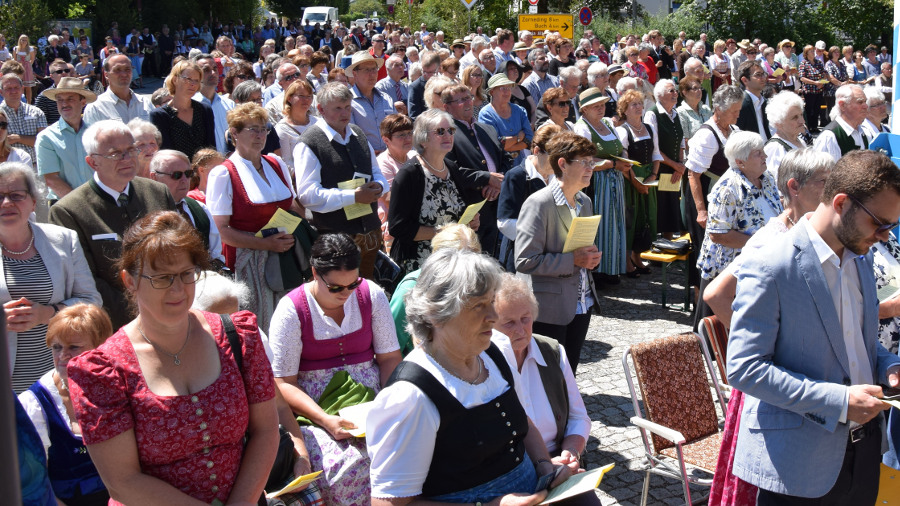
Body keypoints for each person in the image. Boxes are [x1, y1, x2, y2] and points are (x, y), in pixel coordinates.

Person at [66, 211, 280, 505]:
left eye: (185, 274)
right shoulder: (104, 370)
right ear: (129, 280)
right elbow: (122, 481)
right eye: (163, 278)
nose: (178, 290)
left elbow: (266, 430)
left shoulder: (237, 336)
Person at [727, 150, 900, 504]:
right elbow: (745, 369)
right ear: (841, 203)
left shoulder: (861, 257)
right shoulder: (769, 265)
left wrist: (888, 365)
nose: (885, 236)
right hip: (798, 467)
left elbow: (858, 340)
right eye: (879, 223)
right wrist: (836, 401)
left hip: (864, 455)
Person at [367, 248, 568, 505]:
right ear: (437, 314)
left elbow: (523, 422)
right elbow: (389, 504)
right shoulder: (410, 396)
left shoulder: (495, 353)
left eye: (492, 302)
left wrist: (545, 468)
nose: (493, 316)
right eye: (478, 306)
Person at [269, 233, 401, 504]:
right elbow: (283, 383)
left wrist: (388, 403)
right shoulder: (291, 309)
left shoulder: (371, 295)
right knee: (342, 468)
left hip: (372, 398)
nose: (346, 294)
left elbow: (389, 358)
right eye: (336, 288)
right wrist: (324, 419)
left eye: (353, 284)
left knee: (399, 451)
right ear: (315, 273)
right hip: (315, 407)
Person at [49, 120, 175, 330]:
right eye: (115, 153)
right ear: (92, 163)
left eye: (131, 150)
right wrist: (141, 310)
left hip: (170, 311)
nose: (127, 159)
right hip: (114, 326)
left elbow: (177, 251)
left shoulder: (157, 192)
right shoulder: (68, 212)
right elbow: (86, 281)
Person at [0, 161, 101, 394]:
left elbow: (91, 300)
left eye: (16, 195)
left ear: (33, 202)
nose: (6, 203)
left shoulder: (65, 240)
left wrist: (49, 314)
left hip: (59, 376)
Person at [206, 103, 298, 331]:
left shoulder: (276, 164)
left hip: (285, 258)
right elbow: (222, 231)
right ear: (234, 133)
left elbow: (294, 207)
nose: (260, 135)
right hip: (247, 264)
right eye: (252, 129)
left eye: (263, 129)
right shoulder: (223, 173)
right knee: (257, 326)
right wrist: (264, 244)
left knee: (288, 324)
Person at [516, 131, 601, 373]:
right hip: (548, 307)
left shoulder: (584, 201)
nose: (590, 168)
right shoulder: (538, 203)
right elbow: (524, 260)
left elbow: (579, 250)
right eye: (584, 162)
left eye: (591, 162)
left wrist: (590, 258)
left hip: (581, 301)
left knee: (569, 372)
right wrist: (573, 260)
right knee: (547, 378)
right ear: (562, 164)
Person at [492, 273, 592, 475]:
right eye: (509, 323)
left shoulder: (553, 352)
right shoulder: (483, 363)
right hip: (512, 469)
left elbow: (579, 417)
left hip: (560, 459)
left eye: (525, 319)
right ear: (489, 326)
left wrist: (571, 451)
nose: (520, 330)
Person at [18, 303, 112, 506]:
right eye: (57, 347)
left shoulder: (115, 386)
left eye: (73, 347)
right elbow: (34, 483)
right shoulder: (34, 402)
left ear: (100, 347)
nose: (62, 356)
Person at [295, 82, 387, 278]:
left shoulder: (357, 133)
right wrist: (353, 197)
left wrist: (378, 186)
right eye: (337, 108)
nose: (344, 113)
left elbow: (376, 172)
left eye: (347, 107)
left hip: (370, 234)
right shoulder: (309, 143)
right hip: (336, 240)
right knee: (341, 297)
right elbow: (308, 195)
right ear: (321, 109)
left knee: (369, 293)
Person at [695, 131, 782, 325]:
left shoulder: (766, 178)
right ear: (740, 162)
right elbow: (718, 234)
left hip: (760, 265)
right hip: (729, 272)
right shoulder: (727, 188)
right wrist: (761, 244)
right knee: (722, 332)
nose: (765, 156)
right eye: (758, 153)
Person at [388, 109, 480, 273]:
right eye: (440, 131)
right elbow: (398, 228)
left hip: (454, 261)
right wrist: (444, 232)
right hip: (421, 266)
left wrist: (470, 222)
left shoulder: (451, 168)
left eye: (450, 130)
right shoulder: (409, 175)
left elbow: (460, 211)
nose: (448, 135)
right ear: (423, 139)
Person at [684, 85, 742, 294]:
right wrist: (701, 210)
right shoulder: (707, 135)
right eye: (734, 111)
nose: (738, 114)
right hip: (706, 196)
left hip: (725, 198)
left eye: (738, 110)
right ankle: (702, 303)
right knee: (705, 249)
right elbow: (693, 175)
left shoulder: (734, 130)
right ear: (718, 109)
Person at [390, 223, 482, 356]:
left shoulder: (479, 287)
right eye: (459, 264)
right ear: (438, 259)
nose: (467, 272)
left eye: (473, 264)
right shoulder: (411, 289)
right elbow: (390, 348)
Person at [149, 150, 226, 270]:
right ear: (154, 177)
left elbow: (216, 255)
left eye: (188, 173)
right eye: (176, 175)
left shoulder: (199, 208)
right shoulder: (146, 211)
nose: (184, 180)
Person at [616, 90, 661, 276]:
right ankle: (626, 262)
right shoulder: (622, 130)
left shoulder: (649, 127)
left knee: (647, 218)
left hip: (649, 178)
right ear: (624, 110)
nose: (638, 107)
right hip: (631, 180)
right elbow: (625, 163)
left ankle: (638, 256)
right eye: (633, 104)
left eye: (639, 103)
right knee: (631, 219)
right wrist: (636, 183)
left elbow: (656, 153)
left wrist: (653, 176)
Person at [35, 77, 95, 203]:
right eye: (60, 100)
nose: (64, 104)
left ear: (83, 102)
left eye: (70, 99)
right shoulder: (47, 137)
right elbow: (51, 179)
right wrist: (81, 204)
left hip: (97, 201)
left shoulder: (95, 133)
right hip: (64, 205)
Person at [149, 60, 215, 160]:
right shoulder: (160, 115)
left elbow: (211, 147)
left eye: (196, 80)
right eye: (188, 79)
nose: (193, 84)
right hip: (176, 173)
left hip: (203, 170)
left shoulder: (204, 110)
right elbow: (165, 153)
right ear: (175, 80)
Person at [644, 79, 685, 239]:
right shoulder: (652, 114)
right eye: (671, 91)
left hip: (674, 169)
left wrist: (680, 165)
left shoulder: (676, 113)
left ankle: (668, 246)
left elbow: (681, 141)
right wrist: (675, 165)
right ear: (660, 95)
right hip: (659, 169)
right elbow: (654, 147)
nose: (675, 93)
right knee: (659, 208)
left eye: (675, 90)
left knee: (671, 208)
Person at [376, 113, 413, 248]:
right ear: (386, 140)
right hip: (395, 231)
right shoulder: (382, 163)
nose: (408, 138)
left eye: (409, 133)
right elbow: (389, 198)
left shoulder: (414, 156)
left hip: (415, 222)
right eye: (401, 135)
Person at [84, 54, 154, 124]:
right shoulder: (96, 108)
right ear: (106, 75)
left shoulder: (145, 103)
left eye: (127, 69)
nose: (124, 74)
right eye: (117, 70)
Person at [479, 74, 532, 166]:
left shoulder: (519, 110)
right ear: (492, 92)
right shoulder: (486, 114)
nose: (507, 92)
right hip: (500, 165)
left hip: (522, 164)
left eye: (508, 88)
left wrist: (509, 145)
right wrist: (518, 138)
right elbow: (495, 144)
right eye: (502, 88)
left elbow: (529, 139)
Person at [192, 54, 236, 153]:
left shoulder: (229, 105)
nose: (213, 73)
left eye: (215, 68)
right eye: (206, 70)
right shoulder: (190, 105)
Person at [0, 74, 46, 167]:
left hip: (37, 166)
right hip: (9, 168)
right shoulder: (1, 115)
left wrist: (18, 138)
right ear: (1, 92)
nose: (13, 91)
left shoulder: (36, 112)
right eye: (8, 88)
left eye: (16, 87)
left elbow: (44, 142)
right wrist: (31, 139)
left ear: (22, 89)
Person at [813, 84, 869, 161]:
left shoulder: (865, 132)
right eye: (860, 102)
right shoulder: (829, 137)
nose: (866, 106)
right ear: (842, 105)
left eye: (865, 101)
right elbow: (823, 171)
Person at [274, 79, 318, 169]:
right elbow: (286, 163)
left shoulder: (318, 122)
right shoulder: (282, 129)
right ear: (289, 98)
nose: (306, 100)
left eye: (309, 96)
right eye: (301, 96)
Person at [763, 91, 806, 179]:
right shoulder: (774, 148)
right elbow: (774, 184)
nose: (802, 121)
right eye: (794, 118)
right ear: (779, 123)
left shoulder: (800, 141)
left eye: (801, 115)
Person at [735, 60, 770, 141]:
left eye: (763, 74)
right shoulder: (740, 105)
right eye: (758, 75)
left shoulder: (765, 102)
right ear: (745, 80)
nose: (763, 78)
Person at [798, 45, 827, 133]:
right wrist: (815, 83)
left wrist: (822, 83)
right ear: (806, 54)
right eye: (811, 51)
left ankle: (815, 126)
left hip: (819, 90)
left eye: (813, 50)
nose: (813, 52)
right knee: (809, 109)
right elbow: (802, 78)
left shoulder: (818, 62)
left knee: (817, 109)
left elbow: (824, 74)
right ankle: (809, 127)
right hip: (809, 90)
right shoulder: (804, 63)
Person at [676, 76, 713, 143]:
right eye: (695, 88)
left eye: (700, 88)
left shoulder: (706, 109)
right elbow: (685, 142)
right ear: (685, 92)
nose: (699, 91)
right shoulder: (681, 112)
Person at [13, 35, 36, 104]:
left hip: (27, 68)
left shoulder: (30, 49)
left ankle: (29, 102)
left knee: (28, 87)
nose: (24, 41)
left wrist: (28, 65)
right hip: (18, 68)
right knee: (20, 86)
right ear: (19, 40)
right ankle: (21, 102)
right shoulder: (16, 48)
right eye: (22, 40)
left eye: (25, 40)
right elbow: (15, 59)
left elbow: (32, 58)